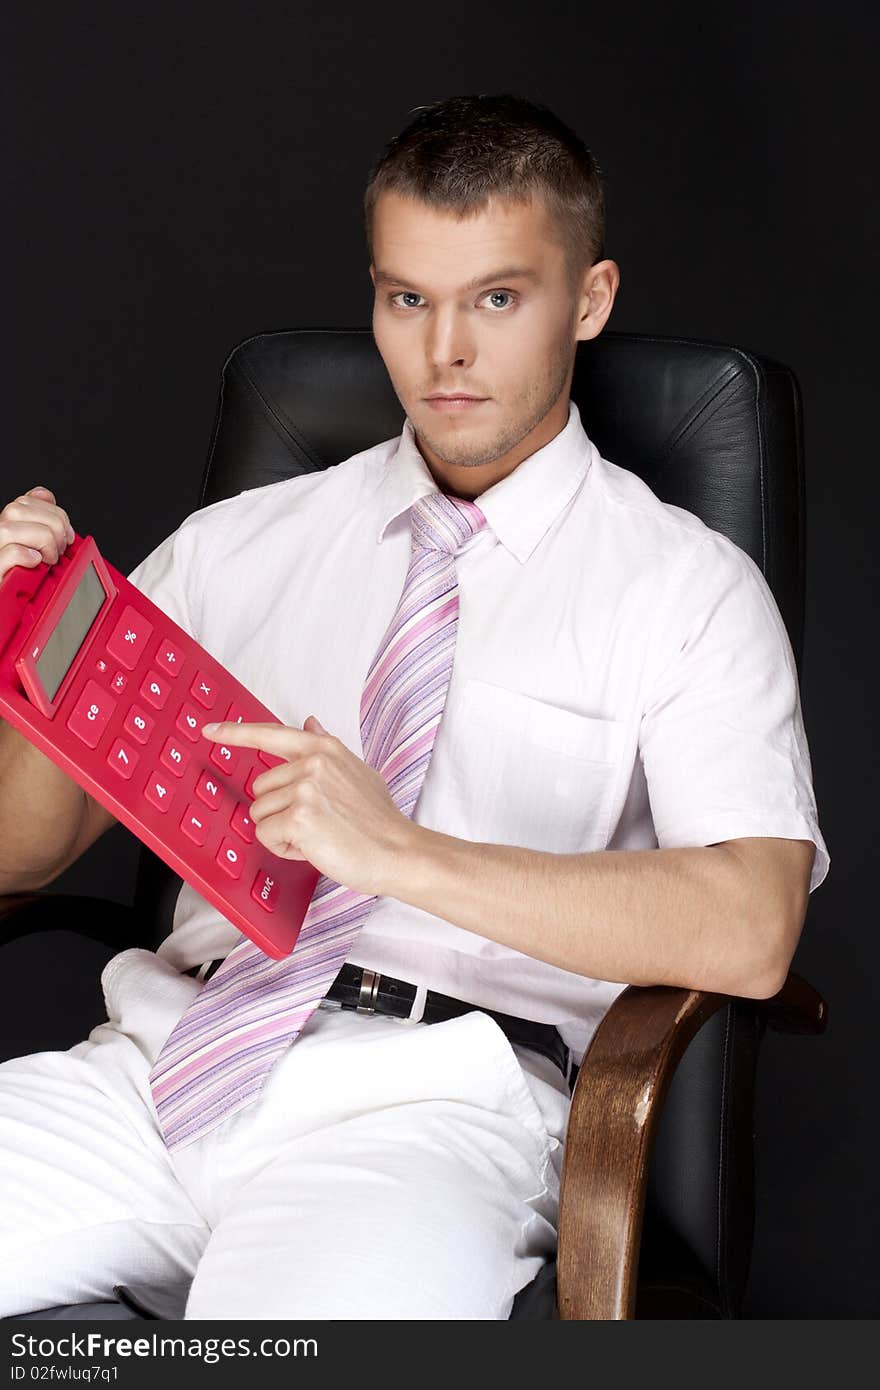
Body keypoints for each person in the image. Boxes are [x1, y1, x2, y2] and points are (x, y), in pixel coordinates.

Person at [0, 92, 829, 1320]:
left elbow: (752, 926)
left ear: (589, 299)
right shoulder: (239, 546)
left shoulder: (685, 590)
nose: (446, 351)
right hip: (163, 1063)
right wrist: (27, 645)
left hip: (442, 1106)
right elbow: (22, 848)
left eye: (497, 298)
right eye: (407, 298)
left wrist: (397, 853)